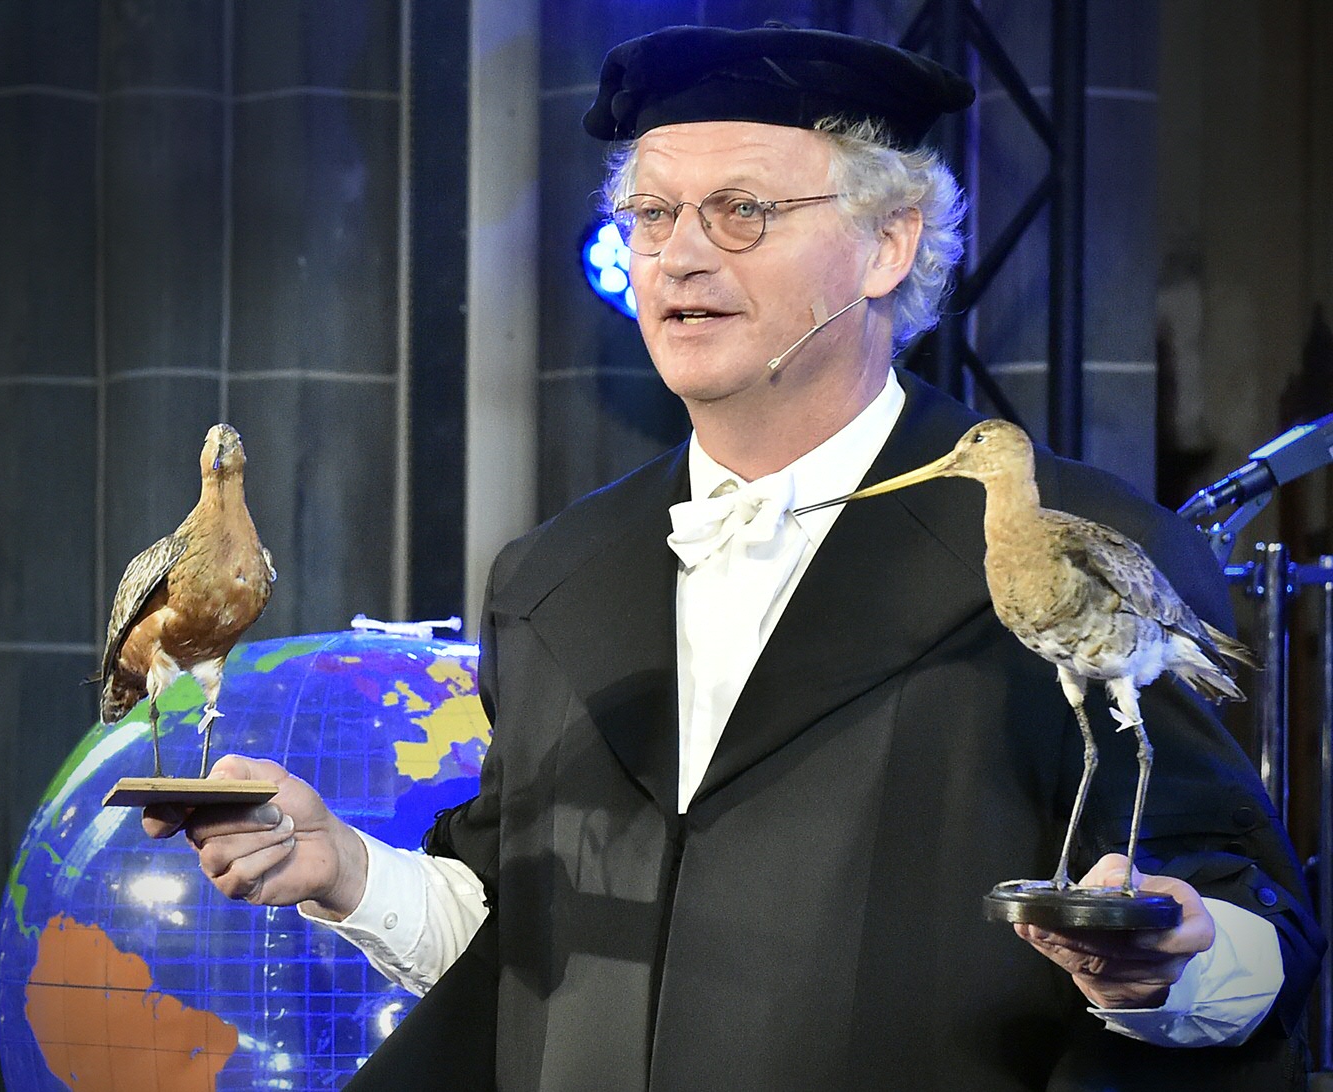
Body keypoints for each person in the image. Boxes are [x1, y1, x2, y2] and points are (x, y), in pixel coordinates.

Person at [148, 24, 1322, 1090]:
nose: (680, 258)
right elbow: (529, 942)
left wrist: (1169, 963)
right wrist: (344, 866)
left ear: (886, 244)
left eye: (741, 212)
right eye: (652, 217)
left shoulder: (1079, 550)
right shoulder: (553, 574)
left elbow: (1244, 915)